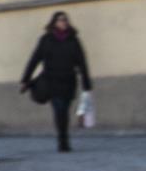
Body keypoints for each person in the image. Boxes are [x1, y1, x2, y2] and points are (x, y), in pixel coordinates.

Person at [19, 10, 93, 153]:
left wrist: (86, 84)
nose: (63, 22)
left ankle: (63, 138)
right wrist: (25, 79)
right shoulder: (46, 40)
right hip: (51, 81)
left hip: (68, 81)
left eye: (65, 20)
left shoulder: (74, 40)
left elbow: (82, 63)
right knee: (59, 110)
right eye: (60, 20)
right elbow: (35, 59)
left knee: (65, 110)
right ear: (54, 23)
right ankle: (62, 141)